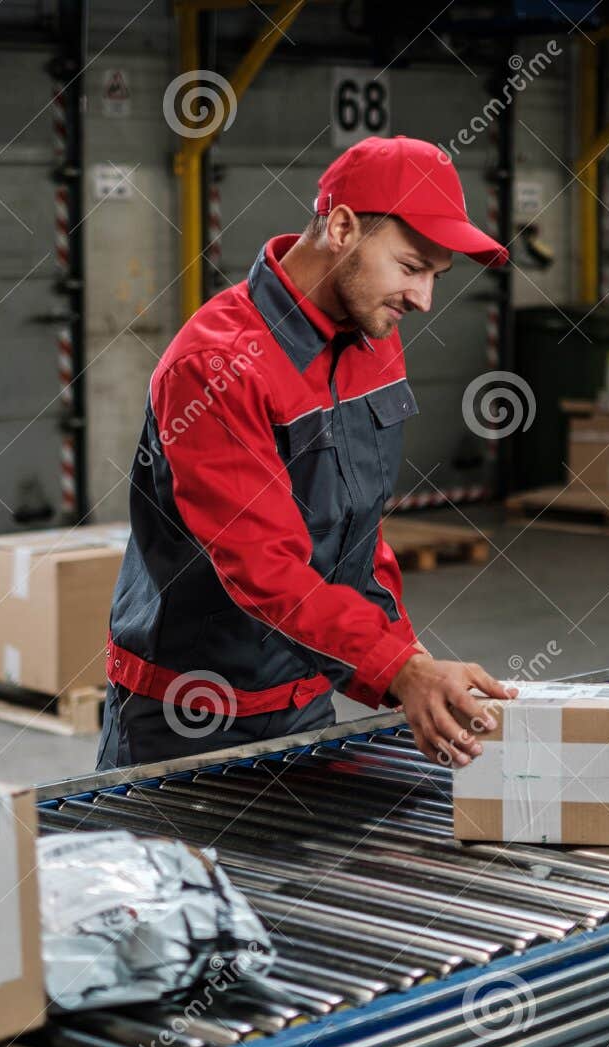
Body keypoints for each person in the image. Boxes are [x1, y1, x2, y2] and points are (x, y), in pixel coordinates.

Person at [97, 135, 516, 772]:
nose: (424, 299)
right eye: (410, 268)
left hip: (306, 698)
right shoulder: (218, 365)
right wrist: (399, 670)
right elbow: (263, 565)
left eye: (436, 276)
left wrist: (410, 668)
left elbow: (358, 536)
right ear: (343, 227)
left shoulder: (373, 340)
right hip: (188, 718)